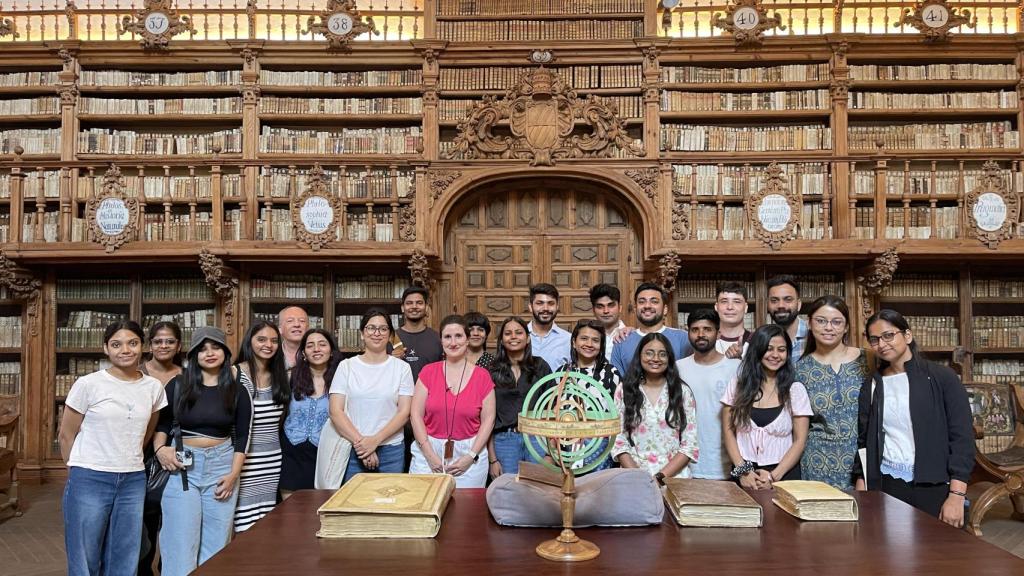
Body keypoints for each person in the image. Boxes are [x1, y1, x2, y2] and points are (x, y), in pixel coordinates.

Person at [60, 321, 167, 576]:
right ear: (106, 349)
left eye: (132, 343)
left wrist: (125, 457)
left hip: (132, 478)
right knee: (85, 554)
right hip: (90, 475)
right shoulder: (89, 384)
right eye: (116, 344)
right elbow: (66, 434)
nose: (125, 350)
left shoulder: (153, 387)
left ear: (143, 347)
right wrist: (76, 473)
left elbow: (146, 432)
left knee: (125, 552)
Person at [855, 310, 974, 527]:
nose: (882, 344)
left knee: (936, 555)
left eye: (888, 335)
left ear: (907, 336)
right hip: (887, 484)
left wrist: (956, 495)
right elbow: (863, 440)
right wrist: (862, 482)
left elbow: (962, 439)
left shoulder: (942, 377)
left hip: (934, 485)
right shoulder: (872, 384)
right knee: (889, 555)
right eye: (875, 339)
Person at [153, 326, 253, 576]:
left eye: (216, 347)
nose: (209, 353)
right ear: (194, 355)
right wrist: (159, 450)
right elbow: (162, 424)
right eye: (202, 349)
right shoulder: (178, 384)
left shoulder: (237, 389)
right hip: (182, 468)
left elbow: (242, 435)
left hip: (222, 466)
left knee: (217, 543)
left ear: (225, 352)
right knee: (180, 542)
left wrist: (233, 475)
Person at [722, 324, 812, 490]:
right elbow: (728, 431)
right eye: (769, 349)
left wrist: (774, 476)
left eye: (782, 350)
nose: (775, 355)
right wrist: (743, 471)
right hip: (744, 473)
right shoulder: (738, 385)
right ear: (758, 350)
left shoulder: (795, 390)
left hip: (783, 475)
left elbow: (800, 440)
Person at [329, 309, 414, 483]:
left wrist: (375, 441)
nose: (377, 333)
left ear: (390, 335)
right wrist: (362, 445)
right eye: (371, 328)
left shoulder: (401, 368)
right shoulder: (346, 366)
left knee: (389, 503)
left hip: (391, 450)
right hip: (352, 448)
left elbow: (404, 412)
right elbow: (335, 411)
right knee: (353, 505)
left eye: (383, 329)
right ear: (362, 333)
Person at [410, 315, 496, 488]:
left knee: (465, 510)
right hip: (428, 448)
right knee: (424, 505)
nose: (453, 342)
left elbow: (489, 419)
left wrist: (470, 456)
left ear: (467, 340)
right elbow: (415, 415)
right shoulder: (428, 372)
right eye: (447, 337)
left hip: (470, 451)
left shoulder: (482, 376)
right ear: (441, 341)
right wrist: (429, 454)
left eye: (458, 336)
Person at [794, 296, 868, 490]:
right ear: (809, 323)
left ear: (846, 327)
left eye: (836, 322)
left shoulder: (868, 360)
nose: (829, 327)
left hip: (860, 459)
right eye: (821, 321)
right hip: (816, 460)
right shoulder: (800, 369)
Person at [611, 332, 699, 482]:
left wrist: (659, 478)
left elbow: (689, 445)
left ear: (669, 358)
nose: (656, 359)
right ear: (639, 356)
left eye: (662, 354)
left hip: (675, 479)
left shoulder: (682, 391)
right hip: (633, 478)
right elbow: (618, 440)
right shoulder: (624, 390)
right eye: (649, 353)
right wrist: (640, 478)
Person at [233, 321, 290, 532]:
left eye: (274, 340)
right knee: (241, 523)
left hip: (272, 459)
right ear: (250, 341)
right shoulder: (234, 373)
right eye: (262, 339)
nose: (268, 345)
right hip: (244, 460)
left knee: (265, 525)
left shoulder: (280, 375)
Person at [138, 321, 183, 576]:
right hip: (139, 453)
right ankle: (143, 570)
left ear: (178, 346)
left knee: (172, 519)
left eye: (169, 341)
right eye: (158, 341)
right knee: (143, 521)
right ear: (150, 345)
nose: (163, 345)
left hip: (173, 454)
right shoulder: (137, 374)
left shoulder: (187, 376)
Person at [677, 309, 740, 480]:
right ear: (688, 332)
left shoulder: (735, 367)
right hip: (685, 465)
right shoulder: (678, 368)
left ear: (718, 333)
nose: (701, 334)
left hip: (726, 464)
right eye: (695, 329)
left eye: (707, 329)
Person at [280, 329, 344, 495]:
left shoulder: (342, 379)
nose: (316, 349)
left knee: (319, 512)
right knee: (290, 514)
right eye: (310, 346)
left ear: (331, 351)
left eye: (322, 344)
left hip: (326, 455)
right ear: (303, 353)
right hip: (291, 454)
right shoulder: (290, 377)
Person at [554, 319, 622, 473]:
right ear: (574, 342)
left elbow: (618, 413)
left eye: (595, 340)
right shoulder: (561, 372)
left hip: (599, 444)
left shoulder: (611, 373)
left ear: (601, 345)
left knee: (597, 491)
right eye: (584, 338)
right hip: (565, 443)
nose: (589, 344)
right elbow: (554, 408)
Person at [486, 316, 552, 477]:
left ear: (528, 338)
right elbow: (486, 417)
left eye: (519, 332)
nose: (513, 337)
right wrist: (492, 459)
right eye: (508, 333)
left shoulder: (540, 366)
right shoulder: (491, 370)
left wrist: (551, 453)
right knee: (508, 492)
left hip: (537, 439)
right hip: (504, 441)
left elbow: (552, 410)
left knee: (538, 492)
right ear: (501, 340)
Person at [610, 282, 693, 375]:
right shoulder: (622, 340)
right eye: (642, 301)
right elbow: (617, 383)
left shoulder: (683, 339)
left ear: (665, 309)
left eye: (654, 301)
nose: (647, 306)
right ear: (635, 308)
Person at [394, 286, 443, 381]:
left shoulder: (438, 338)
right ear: (402, 308)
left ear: (427, 307)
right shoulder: (390, 338)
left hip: (430, 395)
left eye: (419, 303)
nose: (414, 307)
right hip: (399, 395)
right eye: (409, 303)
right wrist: (391, 360)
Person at [527, 283, 572, 370]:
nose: (546, 308)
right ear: (530, 307)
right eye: (540, 303)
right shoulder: (519, 337)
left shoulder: (568, 340)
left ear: (557, 306)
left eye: (551, 303)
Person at [766, 275, 809, 364]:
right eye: (774, 300)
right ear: (767, 305)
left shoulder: (814, 335)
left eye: (788, 300)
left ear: (799, 304)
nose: (781, 305)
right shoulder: (763, 339)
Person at [714, 281, 752, 359]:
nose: (730, 307)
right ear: (716, 307)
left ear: (746, 308)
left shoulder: (756, 341)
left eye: (737, 302)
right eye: (724, 301)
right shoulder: (707, 341)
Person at [589, 283, 627, 361]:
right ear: (593, 310)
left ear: (620, 308)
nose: (606, 311)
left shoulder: (631, 335)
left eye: (611, 305)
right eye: (600, 306)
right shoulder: (586, 338)